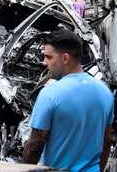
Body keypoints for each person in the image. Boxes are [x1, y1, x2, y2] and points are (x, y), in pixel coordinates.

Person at [22, 29, 113, 171]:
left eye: (49, 57)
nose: (44, 62)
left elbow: (35, 145)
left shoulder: (49, 94)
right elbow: (106, 141)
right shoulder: (105, 93)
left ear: (65, 58)